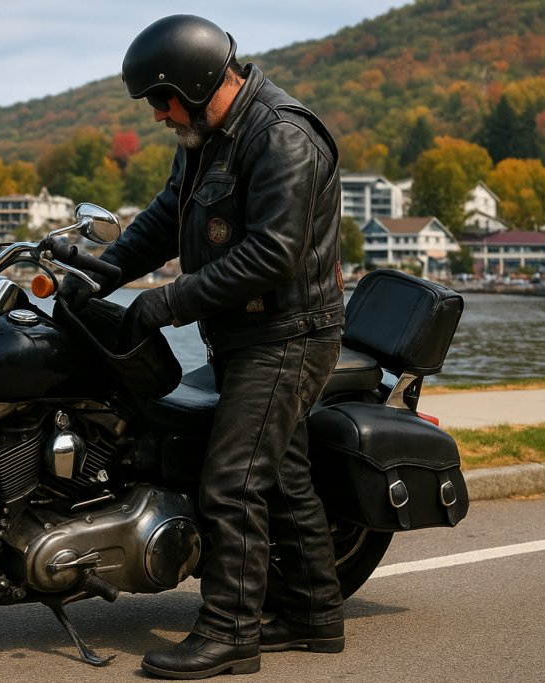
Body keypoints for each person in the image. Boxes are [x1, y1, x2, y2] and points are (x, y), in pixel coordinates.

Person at [57, 14, 347, 680]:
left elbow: (272, 254)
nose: (158, 115)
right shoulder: (207, 136)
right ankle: (312, 613)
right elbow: (167, 215)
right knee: (283, 474)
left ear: (191, 81)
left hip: (287, 337)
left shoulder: (281, 137)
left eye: (161, 100)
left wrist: (164, 303)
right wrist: (102, 273)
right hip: (247, 335)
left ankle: (230, 633)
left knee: (231, 481)